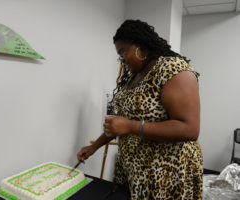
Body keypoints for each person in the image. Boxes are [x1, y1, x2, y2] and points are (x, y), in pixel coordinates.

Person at [77, 19, 203, 200]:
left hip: (165, 174)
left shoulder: (172, 69)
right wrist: (94, 146)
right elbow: (120, 124)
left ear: (141, 47)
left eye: (123, 52)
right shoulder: (133, 77)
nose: (121, 59)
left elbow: (190, 128)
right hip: (133, 171)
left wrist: (131, 126)